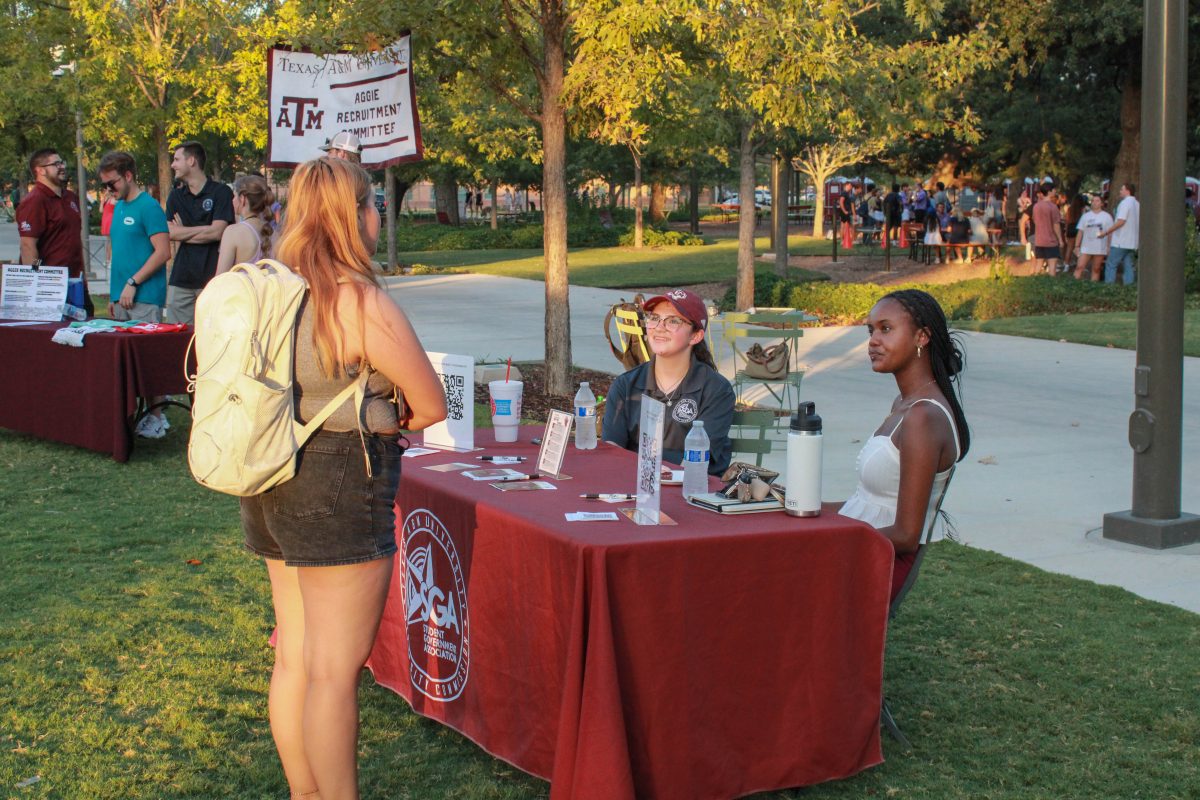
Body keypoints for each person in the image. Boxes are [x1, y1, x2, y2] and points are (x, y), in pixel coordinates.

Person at [240, 157, 446, 799]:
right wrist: (387, 408)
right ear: (353, 213)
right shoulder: (355, 298)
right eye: (371, 202)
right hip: (337, 476)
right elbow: (432, 403)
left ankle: (305, 793)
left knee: (295, 655)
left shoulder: (267, 285)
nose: (377, 212)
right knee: (333, 671)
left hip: (268, 467)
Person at [838, 289, 969, 602]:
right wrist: (791, 503)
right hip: (853, 551)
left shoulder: (923, 417)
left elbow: (906, 536)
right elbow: (865, 504)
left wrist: (828, 541)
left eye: (886, 329)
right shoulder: (904, 404)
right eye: (871, 330)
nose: (873, 341)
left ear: (921, 337)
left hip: (877, 566)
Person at [602, 288, 735, 476]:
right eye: (654, 318)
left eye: (673, 321)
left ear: (695, 336)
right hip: (632, 486)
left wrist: (661, 473)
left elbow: (697, 460)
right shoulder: (626, 385)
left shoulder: (716, 390)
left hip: (691, 491)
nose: (659, 327)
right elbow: (612, 449)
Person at [98, 150, 172, 437]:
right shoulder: (118, 207)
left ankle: (157, 416)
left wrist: (133, 281)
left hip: (145, 295)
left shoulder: (149, 207)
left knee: (147, 360)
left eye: (112, 183)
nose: (108, 190)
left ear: (128, 176)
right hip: (122, 297)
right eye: (104, 185)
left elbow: (163, 252)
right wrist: (115, 295)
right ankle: (143, 413)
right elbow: (119, 253)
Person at [16, 148, 94, 316]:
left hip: (76, 282)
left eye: (62, 162)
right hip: (51, 287)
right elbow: (28, 246)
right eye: (56, 164)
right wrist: (37, 279)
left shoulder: (70, 197)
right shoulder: (35, 201)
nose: (62, 167)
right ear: (40, 170)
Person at [166, 141, 235, 323]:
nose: (172, 165)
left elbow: (218, 233)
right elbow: (170, 233)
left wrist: (183, 231)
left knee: (211, 338)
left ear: (191, 161)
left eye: (176, 159)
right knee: (177, 339)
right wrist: (206, 229)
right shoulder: (176, 196)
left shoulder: (221, 192)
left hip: (212, 278)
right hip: (181, 279)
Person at [216, 174, 276, 275]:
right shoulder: (275, 233)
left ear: (242, 199)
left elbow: (220, 278)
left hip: (241, 290)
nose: (232, 200)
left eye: (234, 196)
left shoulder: (233, 232)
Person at [1099, 183, 1139, 285]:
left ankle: (1109, 287)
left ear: (1127, 191)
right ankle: (1128, 288)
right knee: (1128, 265)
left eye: (1122, 189)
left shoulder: (1125, 203)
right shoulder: (1137, 204)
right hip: (1133, 242)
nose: (1120, 191)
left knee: (1111, 264)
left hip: (1121, 240)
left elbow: (1121, 221)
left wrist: (1106, 232)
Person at [1074, 194, 1112, 281]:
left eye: (1097, 201)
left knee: (1096, 269)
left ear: (1102, 203)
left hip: (1100, 247)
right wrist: (1077, 246)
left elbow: (1110, 233)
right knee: (1079, 267)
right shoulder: (1085, 216)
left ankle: (1093, 286)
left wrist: (1109, 246)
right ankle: (1074, 285)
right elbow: (1080, 231)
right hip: (1086, 247)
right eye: (1093, 201)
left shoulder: (1107, 217)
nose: (1094, 203)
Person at [1031, 184, 1065, 274]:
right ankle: (1051, 285)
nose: (1055, 192)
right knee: (1052, 267)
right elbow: (1056, 225)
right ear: (1049, 192)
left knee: (1039, 264)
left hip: (1039, 240)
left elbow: (1034, 220)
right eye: (1054, 190)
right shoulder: (1053, 207)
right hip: (1051, 241)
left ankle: (1035, 282)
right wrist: (1060, 240)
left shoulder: (1036, 206)